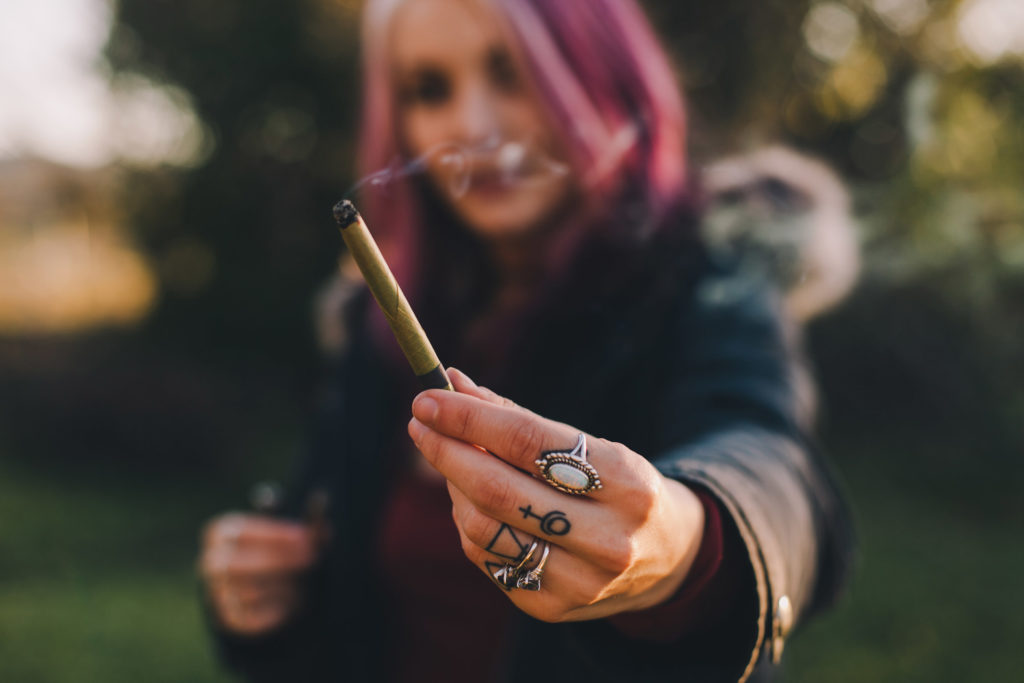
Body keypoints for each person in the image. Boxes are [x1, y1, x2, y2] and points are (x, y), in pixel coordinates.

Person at [198, 0, 852, 681]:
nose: (473, 127)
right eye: (428, 89)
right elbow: (342, 597)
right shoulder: (384, 318)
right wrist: (267, 599)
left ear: (602, 73)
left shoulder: (707, 289)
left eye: (512, 73)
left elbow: (771, 463)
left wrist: (685, 540)